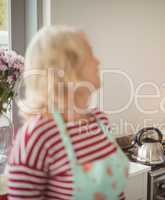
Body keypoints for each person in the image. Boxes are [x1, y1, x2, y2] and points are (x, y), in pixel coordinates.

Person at [8, 26, 128, 200]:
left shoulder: (100, 120)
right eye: (90, 55)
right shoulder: (37, 135)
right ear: (67, 68)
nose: (98, 61)